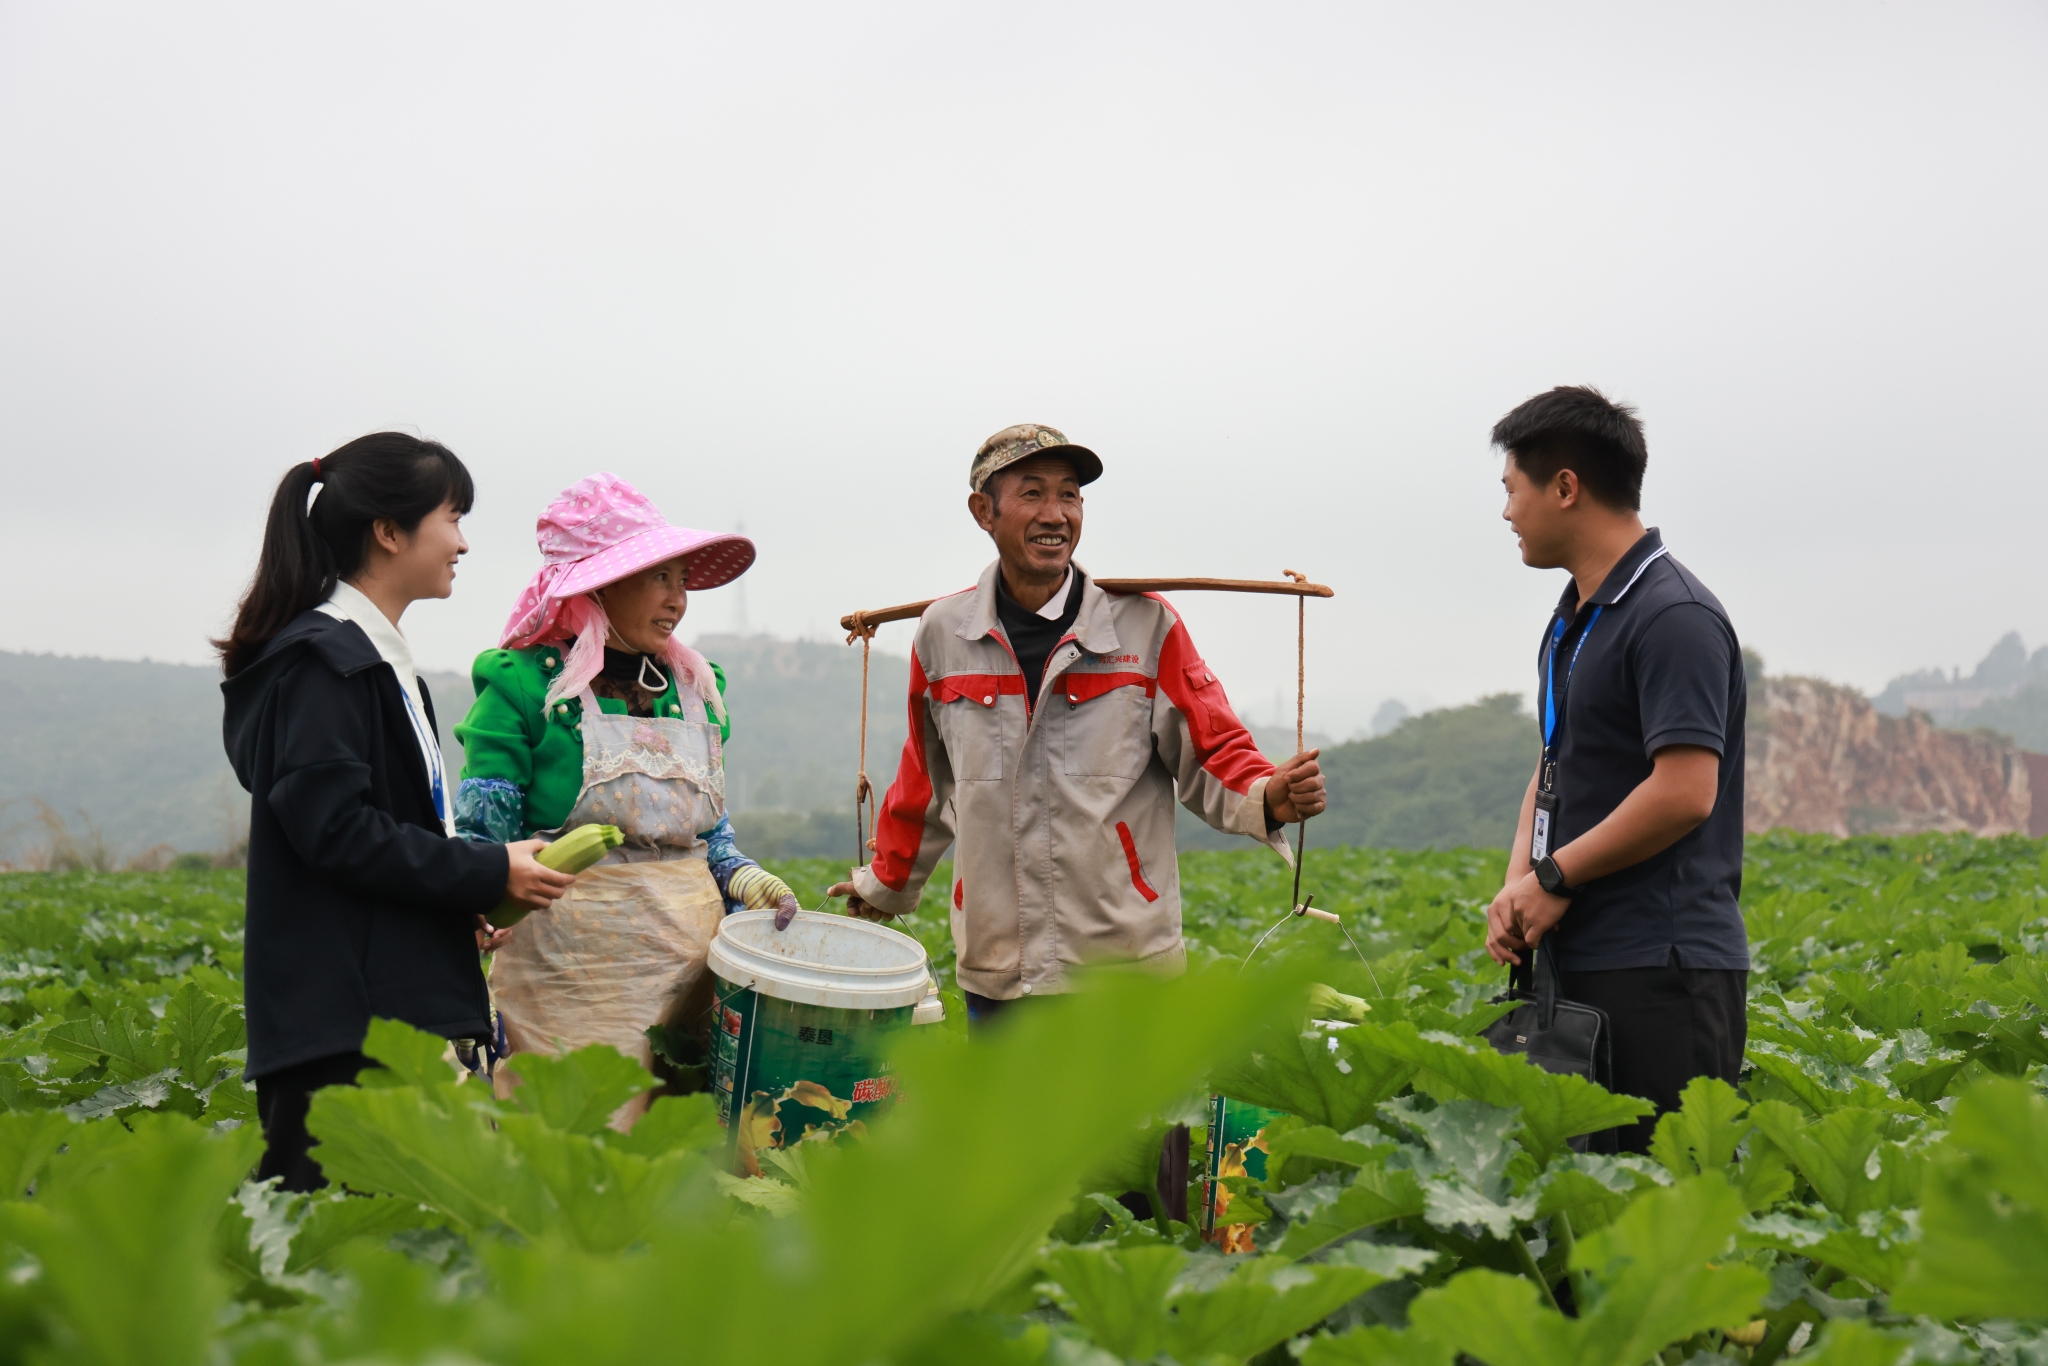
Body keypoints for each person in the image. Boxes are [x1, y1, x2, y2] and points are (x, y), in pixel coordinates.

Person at [828, 423, 1327, 1020]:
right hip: (1000, 964)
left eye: (1069, 495)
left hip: (1125, 969)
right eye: (1032, 493)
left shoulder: (1144, 627)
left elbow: (1213, 746)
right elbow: (927, 777)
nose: (1055, 514)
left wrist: (1269, 795)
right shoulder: (943, 634)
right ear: (983, 511)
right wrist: (885, 885)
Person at [218, 432, 577, 1191]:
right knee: (353, 1246)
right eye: (452, 518)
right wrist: (484, 867)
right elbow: (337, 831)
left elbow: (378, 838)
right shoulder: (324, 663)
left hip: (384, 1014)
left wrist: (453, 903)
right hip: (352, 1033)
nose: (462, 543)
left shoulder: (370, 659)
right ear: (388, 531)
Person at [453, 473, 799, 1118]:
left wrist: (741, 875)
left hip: (691, 972)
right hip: (568, 974)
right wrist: (477, 910)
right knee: (575, 1136)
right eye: (658, 578)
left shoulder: (696, 689)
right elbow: (483, 841)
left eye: (682, 579)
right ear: (599, 586)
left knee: (677, 1142)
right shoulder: (523, 688)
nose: (678, 600)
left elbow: (707, 830)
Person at [1484, 386, 1748, 1154]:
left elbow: (1685, 791)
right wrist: (1519, 884)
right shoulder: (1574, 616)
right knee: (1580, 1207)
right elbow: (1554, 759)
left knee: (1659, 1209)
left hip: (1660, 969)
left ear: (1566, 487)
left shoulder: (1673, 616)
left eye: (1513, 489)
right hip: (1579, 959)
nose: (1506, 513)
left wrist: (1555, 876)